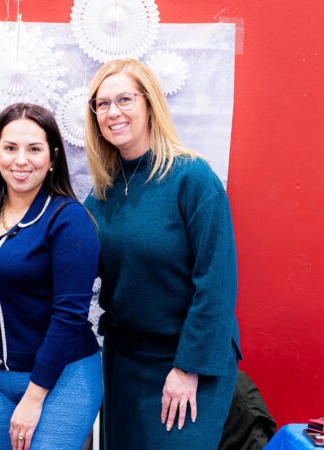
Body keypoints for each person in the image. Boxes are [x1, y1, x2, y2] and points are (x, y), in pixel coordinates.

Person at [83, 58, 241, 449]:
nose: (112, 112)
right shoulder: (101, 194)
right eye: (102, 104)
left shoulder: (193, 178)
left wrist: (187, 368)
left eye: (124, 99)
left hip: (189, 361)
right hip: (124, 361)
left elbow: (217, 283)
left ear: (150, 103)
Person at [0, 103, 102, 450]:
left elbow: (69, 316)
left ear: (52, 157)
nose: (21, 160)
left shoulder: (69, 219)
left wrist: (34, 397)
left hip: (62, 376)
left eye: (34, 149)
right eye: (10, 148)